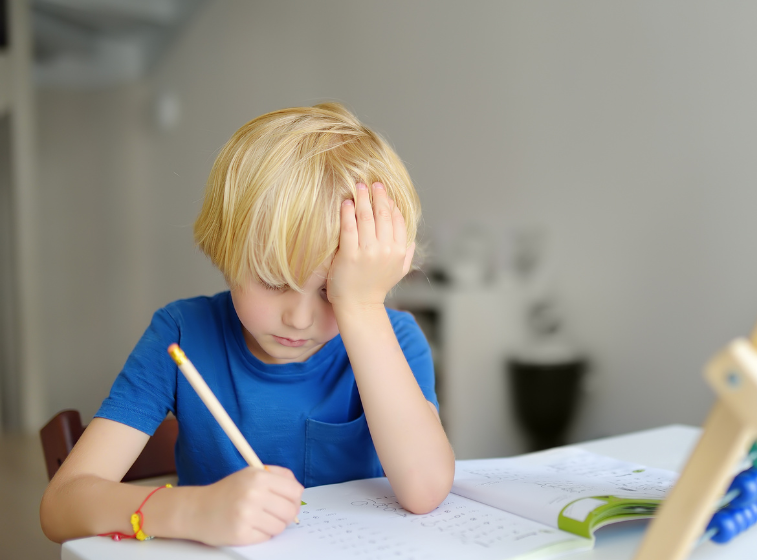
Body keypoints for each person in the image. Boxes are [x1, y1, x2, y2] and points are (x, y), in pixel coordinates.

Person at [40, 103, 454, 546]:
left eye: (332, 291)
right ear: (227, 253)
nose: (298, 318)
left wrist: (364, 309)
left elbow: (425, 489)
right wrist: (190, 510)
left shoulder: (396, 339)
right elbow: (61, 506)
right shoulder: (181, 334)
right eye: (274, 281)